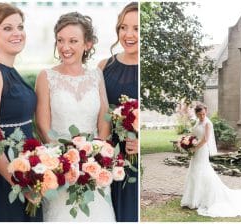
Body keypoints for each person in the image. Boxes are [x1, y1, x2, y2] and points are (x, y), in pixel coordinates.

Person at [35, 12, 114, 221]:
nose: (64, 47)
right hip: (60, 168)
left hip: (94, 169)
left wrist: (96, 157)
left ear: (87, 44)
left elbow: (104, 119)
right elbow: (43, 126)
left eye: (73, 41)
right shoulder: (46, 76)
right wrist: (66, 163)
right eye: (60, 40)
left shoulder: (96, 75)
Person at [0, 2, 43, 222]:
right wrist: (18, 183)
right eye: (7, 28)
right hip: (5, 178)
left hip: (25, 174)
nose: (17, 33)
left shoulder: (9, 71)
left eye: (20, 27)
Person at [181, 104, 241, 217]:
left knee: (202, 171)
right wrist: (187, 141)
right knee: (194, 172)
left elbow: (206, 139)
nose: (202, 116)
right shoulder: (197, 122)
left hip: (201, 151)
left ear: (206, 111)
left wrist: (195, 147)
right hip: (195, 151)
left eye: (203, 114)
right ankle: (193, 199)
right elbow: (194, 135)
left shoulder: (208, 123)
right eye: (199, 115)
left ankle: (205, 198)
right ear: (197, 115)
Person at [98, 2, 138, 222]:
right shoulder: (104, 66)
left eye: (136, 28)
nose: (128, 34)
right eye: (123, 27)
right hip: (106, 159)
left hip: (135, 160)